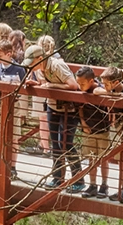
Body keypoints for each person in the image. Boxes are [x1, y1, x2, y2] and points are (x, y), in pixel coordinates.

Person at [25, 36, 81, 192]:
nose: (31, 67)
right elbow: (46, 85)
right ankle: (58, 178)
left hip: (68, 110)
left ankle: (78, 179)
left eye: (32, 63)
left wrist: (51, 85)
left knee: (66, 143)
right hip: (53, 107)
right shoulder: (41, 70)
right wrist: (36, 84)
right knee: (56, 144)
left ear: (40, 59)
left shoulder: (57, 65)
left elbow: (73, 86)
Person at [0, 39, 26, 181]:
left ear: (9, 54)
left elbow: (24, 89)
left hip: (14, 107)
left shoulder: (19, 69)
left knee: (14, 138)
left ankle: (12, 168)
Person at [100, 67, 123, 204]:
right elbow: (96, 91)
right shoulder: (113, 91)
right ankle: (122, 189)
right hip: (119, 128)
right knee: (121, 161)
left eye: (106, 84)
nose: (104, 86)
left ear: (116, 82)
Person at [75, 66, 112, 199]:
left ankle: (104, 185)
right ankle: (92, 185)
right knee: (91, 159)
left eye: (82, 84)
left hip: (102, 130)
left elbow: (108, 99)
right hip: (88, 131)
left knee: (103, 159)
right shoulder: (81, 91)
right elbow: (79, 108)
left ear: (91, 81)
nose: (79, 86)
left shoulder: (99, 89)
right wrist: (83, 123)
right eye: (78, 83)